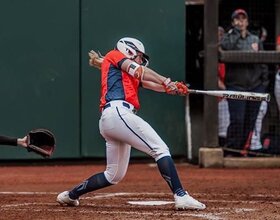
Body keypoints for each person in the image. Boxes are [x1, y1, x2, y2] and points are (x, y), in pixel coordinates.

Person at [56, 37, 206, 210]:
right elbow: (141, 72)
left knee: (113, 175)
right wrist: (166, 81)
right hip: (118, 113)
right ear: (129, 50)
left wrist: (172, 88)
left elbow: (148, 82)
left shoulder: (123, 72)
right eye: (140, 56)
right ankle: (181, 195)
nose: (141, 60)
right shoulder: (115, 55)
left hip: (112, 119)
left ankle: (70, 195)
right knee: (160, 149)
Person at [220, 9, 269, 154]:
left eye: (243, 19)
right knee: (237, 119)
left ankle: (242, 149)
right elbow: (226, 47)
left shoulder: (254, 39)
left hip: (255, 85)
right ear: (233, 22)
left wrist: (263, 83)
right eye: (237, 19)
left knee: (250, 120)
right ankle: (231, 149)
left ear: (247, 21)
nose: (240, 21)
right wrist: (236, 32)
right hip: (236, 85)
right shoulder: (229, 37)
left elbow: (264, 62)